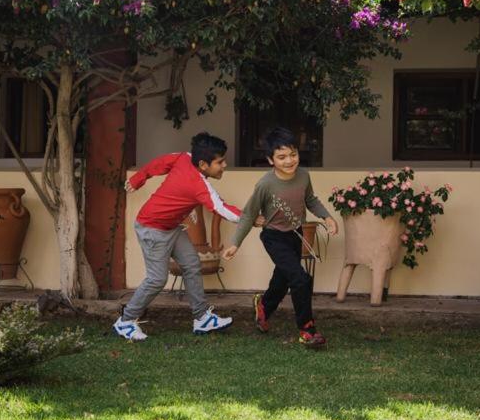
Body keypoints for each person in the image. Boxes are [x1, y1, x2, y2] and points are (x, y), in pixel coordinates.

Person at [114, 132, 242, 341]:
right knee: (156, 279)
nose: (224, 165)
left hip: (171, 227)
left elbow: (160, 163)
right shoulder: (198, 184)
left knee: (192, 264)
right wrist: (252, 219)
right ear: (203, 164)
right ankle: (125, 321)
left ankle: (201, 319)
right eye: (220, 162)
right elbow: (221, 208)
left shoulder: (184, 157)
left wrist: (139, 178)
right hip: (152, 228)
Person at [222, 127, 337, 348]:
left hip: (296, 234)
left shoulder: (303, 175)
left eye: (293, 154)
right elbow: (248, 215)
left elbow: (310, 199)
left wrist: (327, 217)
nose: (289, 161)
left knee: (283, 280)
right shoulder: (265, 184)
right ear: (270, 159)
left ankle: (263, 306)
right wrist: (235, 243)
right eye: (282, 157)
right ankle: (307, 330)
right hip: (274, 237)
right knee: (301, 279)